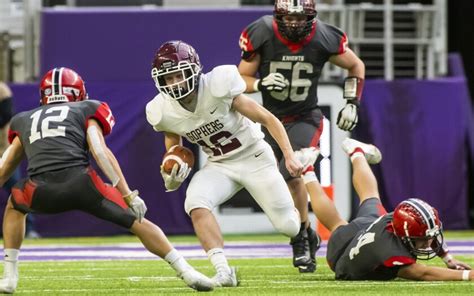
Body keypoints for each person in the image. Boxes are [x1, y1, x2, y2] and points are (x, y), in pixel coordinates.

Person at [0, 67, 214, 293]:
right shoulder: (86, 108)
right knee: (140, 224)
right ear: (77, 92)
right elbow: (100, 152)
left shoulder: (24, 119)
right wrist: (127, 194)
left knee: (15, 206)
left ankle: (10, 276)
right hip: (82, 185)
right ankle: (187, 272)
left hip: (39, 190)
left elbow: (6, 165)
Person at [146, 40, 305, 287]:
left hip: (254, 157)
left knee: (288, 226)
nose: (175, 83)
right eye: (168, 78)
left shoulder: (218, 85)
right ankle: (223, 271)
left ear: (194, 69)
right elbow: (173, 139)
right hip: (220, 164)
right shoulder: (162, 110)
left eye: (179, 74)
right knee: (195, 203)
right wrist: (172, 164)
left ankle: (304, 230)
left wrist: (290, 154)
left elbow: (267, 117)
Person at [238, 0, 365, 272]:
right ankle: (305, 233)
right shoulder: (262, 32)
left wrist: (352, 102)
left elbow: (356, 66)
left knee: (294, 170)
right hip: (270, 120)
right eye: (289, 18)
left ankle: (301, 237)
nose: (294, 23)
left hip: (304, 117)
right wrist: (260, 83)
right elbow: (241, 79)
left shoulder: (323, 36)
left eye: (300, 18)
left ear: (311, 17)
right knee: (278, 181)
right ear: (278, 16)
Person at [306, 137, 472, 281]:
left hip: (374, 228)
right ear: (403, 235)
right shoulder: (390, 252)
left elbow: (427, 231)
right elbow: (423, 273)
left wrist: (448, 259)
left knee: (370, 195)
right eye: (421, 239)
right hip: (342, 252)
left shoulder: (395, 219)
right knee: (336, 224)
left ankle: (356, 152)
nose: (428, 243)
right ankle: (307, 171)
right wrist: (468, 276)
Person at [0, 82, 40, 239]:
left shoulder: (2, 89)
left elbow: (5, 115)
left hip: (3, 151)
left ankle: (29, 229)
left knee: (16, 191)